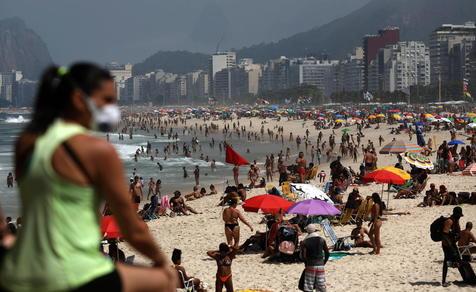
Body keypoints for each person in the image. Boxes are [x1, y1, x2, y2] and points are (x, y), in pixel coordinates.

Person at [0, 63, 176, 291]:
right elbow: (133, 230)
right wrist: (161, 262)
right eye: (107, 100)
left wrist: (5, 237)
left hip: (21, 270)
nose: (112, 108)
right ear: (77, 98)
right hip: (75, 274)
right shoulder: (98, 151)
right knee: (164, 282)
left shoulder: (26, 143)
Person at [299, 224, 329, 292]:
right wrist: (324, 262)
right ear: (315, 230)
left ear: (307, 231)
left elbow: (303, 256)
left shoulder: (305, 242)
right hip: (321, 264)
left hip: (310, 265)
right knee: (321, 286)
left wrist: (306, 263)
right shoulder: (322, 240)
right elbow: (327, 253)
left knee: (308, 286)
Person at [441, 207, 464, 286]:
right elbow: (444, 234)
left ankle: (465, 277)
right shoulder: (449, 221)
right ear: (455, 214)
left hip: (452, 243)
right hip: (447, 245)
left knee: (457, 259)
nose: (459, 217)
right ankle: (443, 281)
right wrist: (450, 247)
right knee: (446, 262)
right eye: (459, 215)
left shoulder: (456, 220)